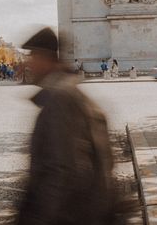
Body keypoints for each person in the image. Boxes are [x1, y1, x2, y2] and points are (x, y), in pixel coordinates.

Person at [16, 28, 117, 225]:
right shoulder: (73, 92)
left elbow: (61, 171)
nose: (28, 63)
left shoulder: (58, 100)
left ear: (47, 59)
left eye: (33, 56)